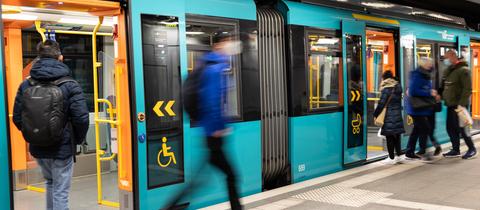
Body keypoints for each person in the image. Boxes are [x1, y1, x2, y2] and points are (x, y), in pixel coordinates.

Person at [167, 33, 243, 210]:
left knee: (204, 178)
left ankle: (170, 207)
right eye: (227, 42)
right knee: (231, 176)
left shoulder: (212, 64)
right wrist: (217, 127)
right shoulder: (215, 67)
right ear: (218, 45)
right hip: (213, 134)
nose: (231, 45)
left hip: (211, 133)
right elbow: (212, 100)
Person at [12, 40, 89, 210]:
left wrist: (34, 133)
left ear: (38, 58)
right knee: (60, 191)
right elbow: (82, 118)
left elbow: (17, 117)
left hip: (38, 148)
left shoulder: (26, 84)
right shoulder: (70, 84)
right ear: (60, 57)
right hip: (62, 147)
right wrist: (76, 139)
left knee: (51, 184)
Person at [441, 50, 476, 159]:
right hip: (451, 105)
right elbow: (447, 86)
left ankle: (472, 149)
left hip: (460, 106)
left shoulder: (463, 70)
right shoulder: (451, 70)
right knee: (450, 127)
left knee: (463, 128)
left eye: (447, 57)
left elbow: (467, 89)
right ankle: (456, 149)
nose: (445, 60)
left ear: (453, 56)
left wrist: (461, 104)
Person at [405, 57, 439, 159]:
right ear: (423, 64)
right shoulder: (417, 75)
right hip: (416, 108)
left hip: (422, 108)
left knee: (417, 130)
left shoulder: (426, 74)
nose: (431, 65)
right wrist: (429, 92)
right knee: (425, 128)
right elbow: (413, 91)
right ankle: (429, 151)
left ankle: (410, 151)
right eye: (429, 63)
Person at [373, 71, 405, 163]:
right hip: (397, 115)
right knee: (397, 136)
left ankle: (391, 157)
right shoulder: (398, 87)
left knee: (389, 137)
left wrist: (375, 114)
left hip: (388, 116)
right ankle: (399, 155)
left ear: (384, 78)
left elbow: (381, 104)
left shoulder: (386, 89)